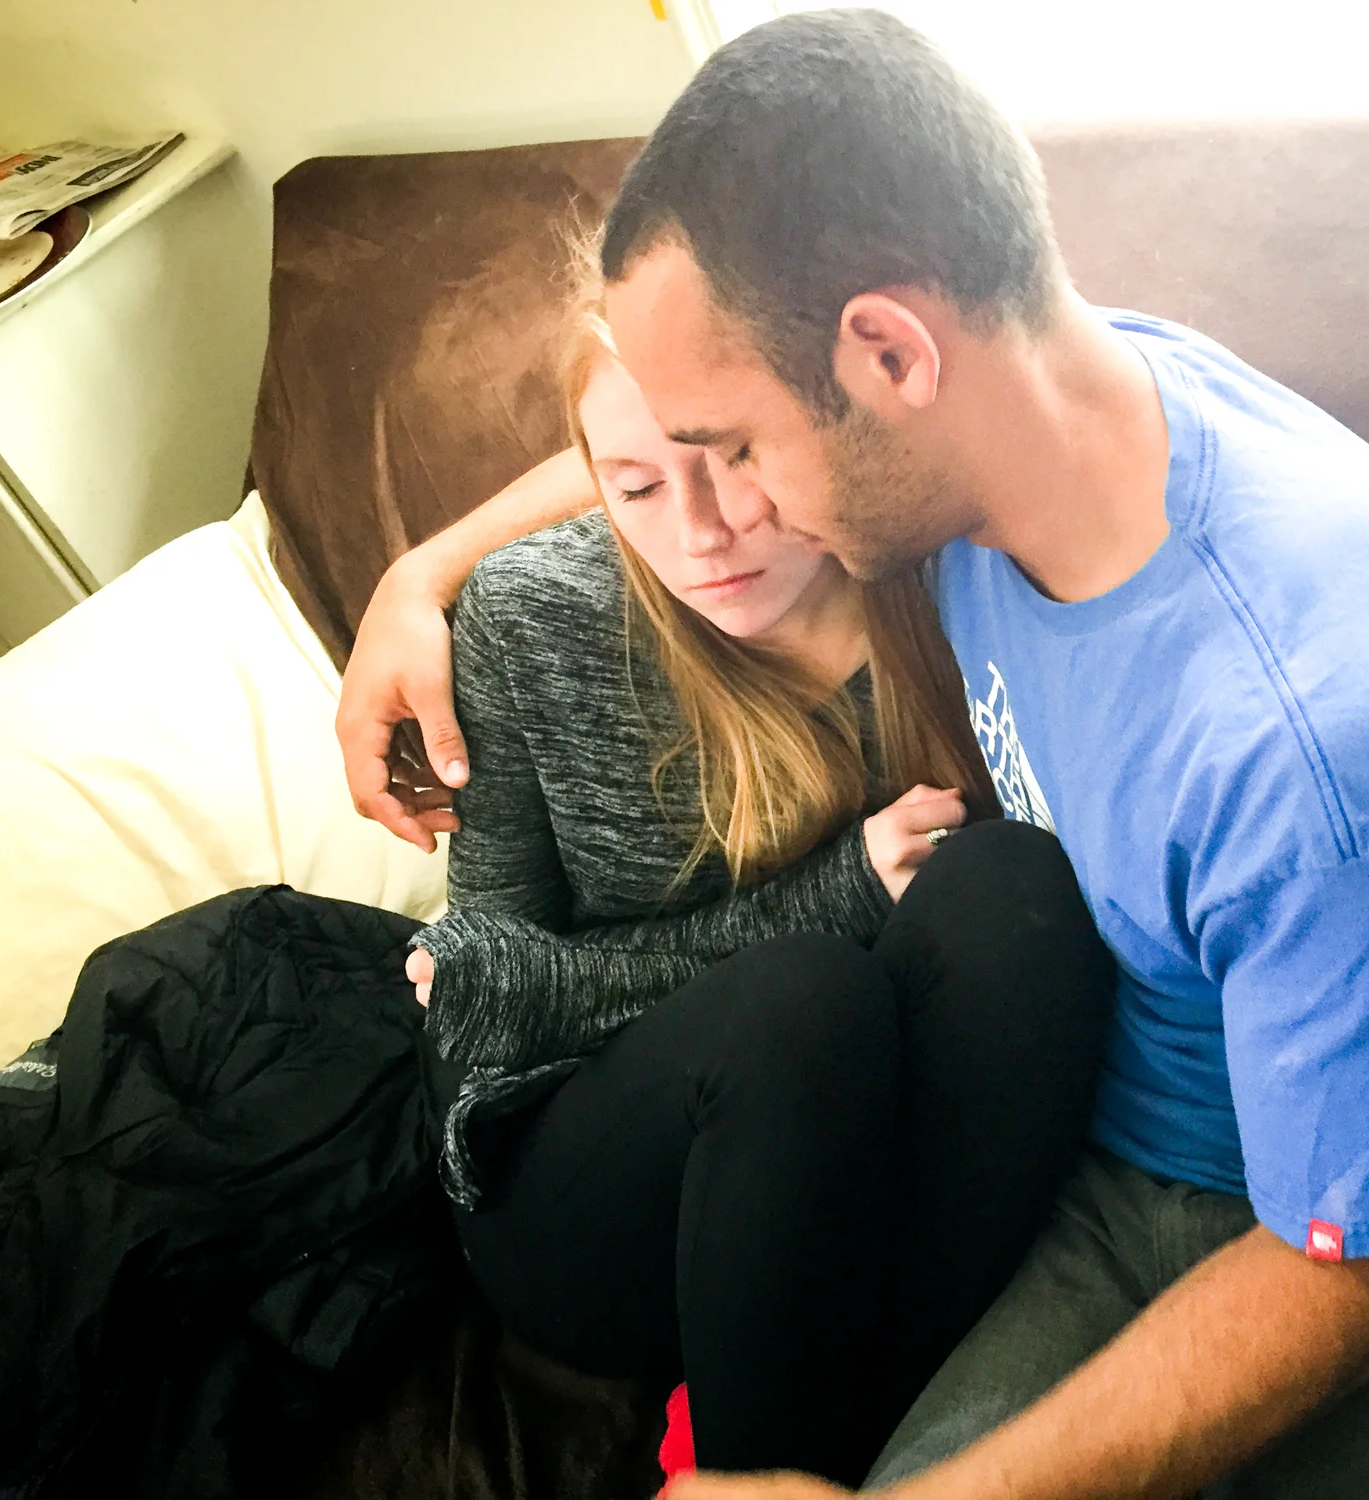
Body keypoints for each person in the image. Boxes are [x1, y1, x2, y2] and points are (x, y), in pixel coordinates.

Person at [339, 11, 1369, 1498]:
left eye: (736, 449)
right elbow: (644, 440)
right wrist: (425, 574)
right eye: (674, 464)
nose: (715, 516)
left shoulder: (1339, 749)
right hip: (1147, 1178)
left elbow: (1357, 1272)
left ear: (888, 354)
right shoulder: (1024, 429)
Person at [402, 254, 1115, 1487]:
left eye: (734, 465)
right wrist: (835, 899)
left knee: (1015, 888)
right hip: (594, 1183)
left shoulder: (945, 583)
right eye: (631, 486)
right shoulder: (529, 621)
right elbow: (491, 998)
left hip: (868, 1160)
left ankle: (816, 1447)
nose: (700, 536)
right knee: (796, 1004)